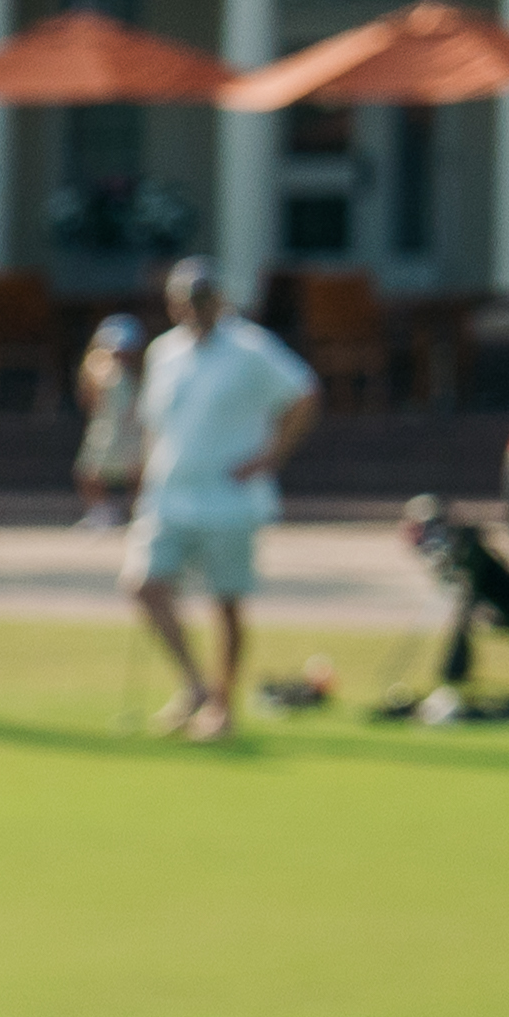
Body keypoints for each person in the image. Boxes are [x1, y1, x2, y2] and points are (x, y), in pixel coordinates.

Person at [122, 258, 318, 741]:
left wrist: (269, 456)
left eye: (203, 299)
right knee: (144, 584)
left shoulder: (250, 349)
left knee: (225, 602)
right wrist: (144, 473)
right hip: (170, 494)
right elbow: (153, 421)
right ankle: (195, 685)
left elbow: (304, 395)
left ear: (219, 301)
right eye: (185, 301)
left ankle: (222, 708)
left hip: (229, 497)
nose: (194, 309)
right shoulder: (164, 352)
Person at [67, 310, 146, 529]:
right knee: (88, 473)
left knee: (138, 474)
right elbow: (88, 400)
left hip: (132, 432)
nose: (119, 353)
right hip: (104, 431)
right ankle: (102, 513)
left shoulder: (140, 373)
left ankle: (140, 513)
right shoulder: (95, 369)